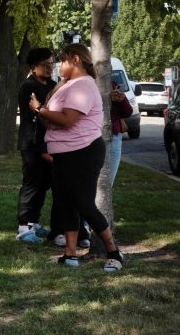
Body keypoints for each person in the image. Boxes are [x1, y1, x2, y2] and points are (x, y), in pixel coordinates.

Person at [29, 44, 124, 272]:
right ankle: (70, 254)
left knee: (83, 204)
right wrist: (49, 116)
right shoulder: (68, 85)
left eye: (61, 61)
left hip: (83, 152)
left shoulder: (84, 86)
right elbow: (54, 119)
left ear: (75, 60)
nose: (58, 66)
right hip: (62, 153)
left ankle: (114, 252)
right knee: (65, 203)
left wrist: (39, 109)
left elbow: (68, 119)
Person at [15, 48, 56, 243]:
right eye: (45, 65)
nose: (49, 68)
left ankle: (34, 221)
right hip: (32, 142)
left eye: (51, 64)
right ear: (33, 67)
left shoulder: (53, 85)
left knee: (44, 184)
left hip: (50, 142)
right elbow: (37, 116)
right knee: (31, 183)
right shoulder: (27, 87)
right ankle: (23, 227)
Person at [108, 80, 133, 186]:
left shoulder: (114, 85)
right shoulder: (89, 84)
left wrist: (122, 100)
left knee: (108, 181)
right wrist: (108, 99)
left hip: (114, 136)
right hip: (94, 137)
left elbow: (128, 112)